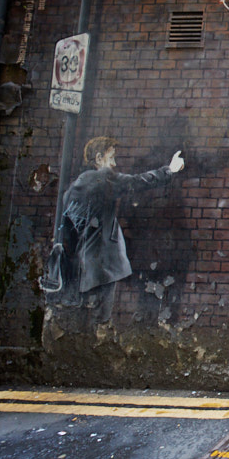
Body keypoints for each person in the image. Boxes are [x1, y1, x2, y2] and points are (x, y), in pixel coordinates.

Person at [54, 137, 184, 326]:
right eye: (111, 158)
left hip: (79, 267)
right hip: (101, 266)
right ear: (99, 158)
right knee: (100, 321)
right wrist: (169, 170)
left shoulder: (74, 189)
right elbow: (136, 182)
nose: (114, 164)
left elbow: (67, 230)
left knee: (81, 320)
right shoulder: (101, 179)